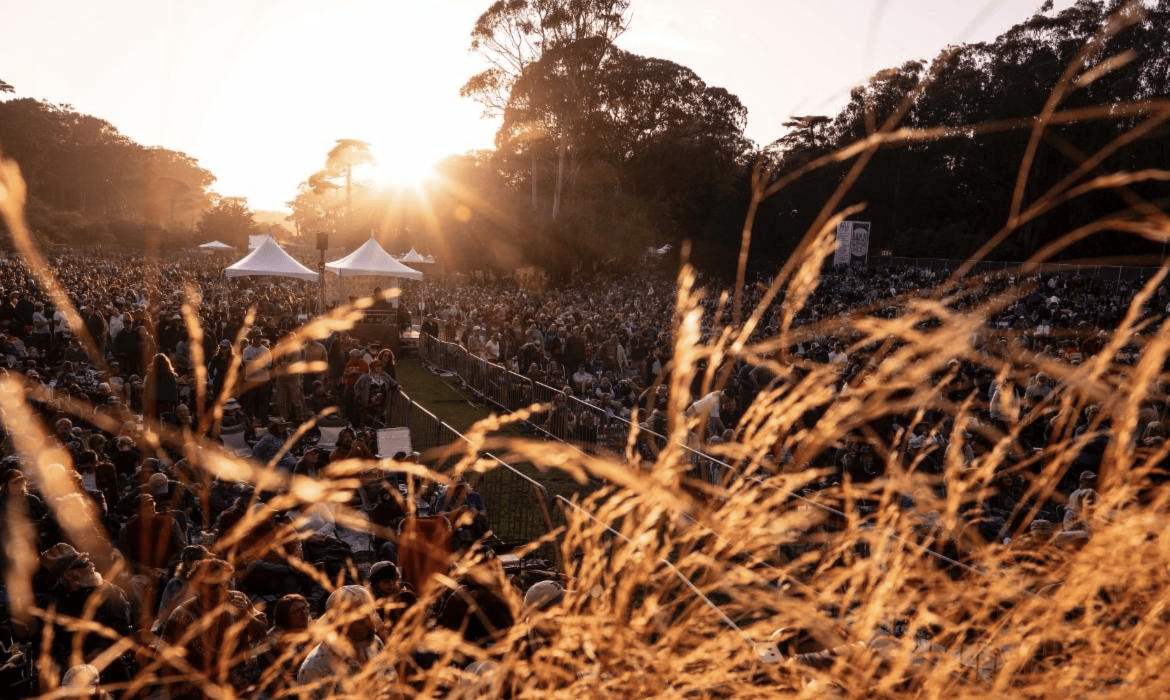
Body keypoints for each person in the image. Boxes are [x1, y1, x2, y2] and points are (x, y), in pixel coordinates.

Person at [297, 585, 392, 699]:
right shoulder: (315, 670)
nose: (371, 625)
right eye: (361, 620)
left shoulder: (374, 643)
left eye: (371, 616)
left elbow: (391, 682)